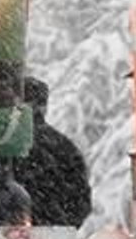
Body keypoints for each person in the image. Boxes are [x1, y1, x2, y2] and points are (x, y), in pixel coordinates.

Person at [14, 77, 93, 228]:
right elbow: (81, 200)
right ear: (44, 106)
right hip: (53, 232)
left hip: (3, 233)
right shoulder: (63, 147)